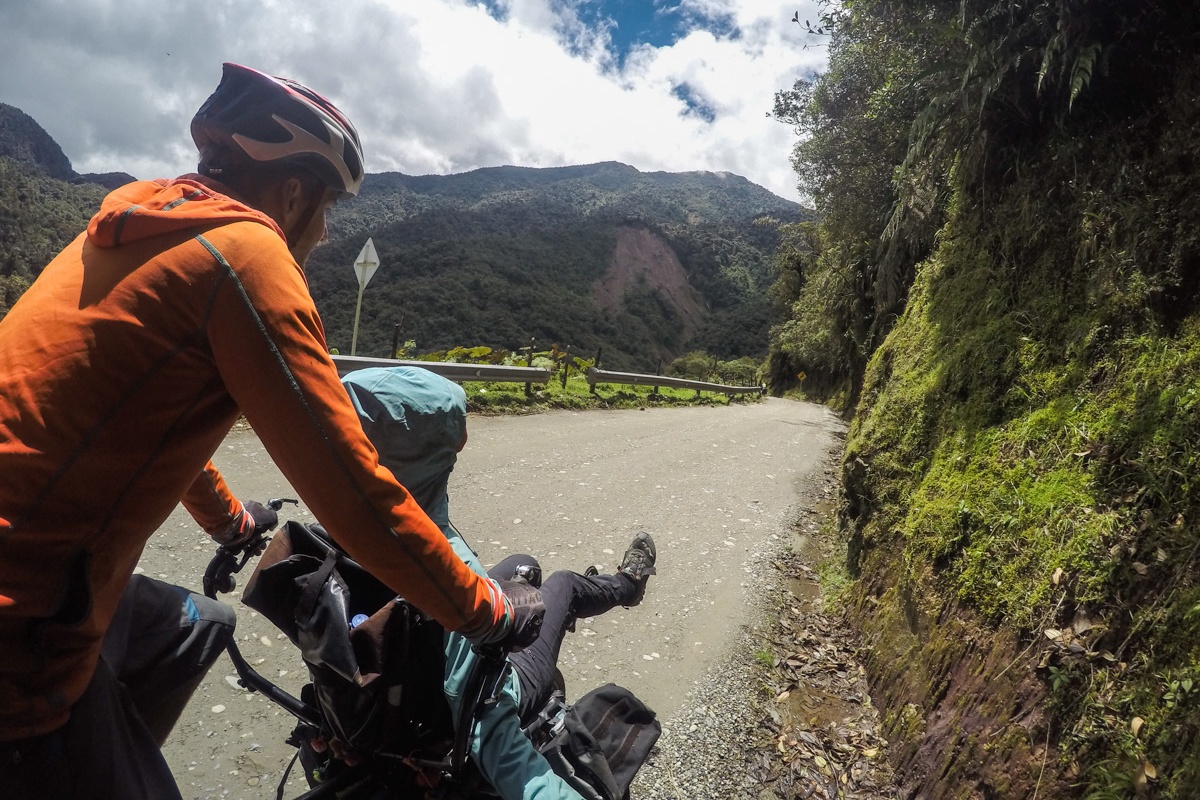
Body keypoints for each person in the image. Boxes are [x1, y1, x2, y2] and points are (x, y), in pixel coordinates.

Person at [0, 64, 541, 799]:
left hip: (45, 570)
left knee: (195, 626)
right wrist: (488, 611)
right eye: (328, 207)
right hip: (22, 615)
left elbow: (134, 415)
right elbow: (354, 492)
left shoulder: (135, 229)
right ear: (291, 193)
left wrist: (229, 521)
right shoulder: (248, 257)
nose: (324, 231)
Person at [341, 366, 658, 799]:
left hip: (394, 689)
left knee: (522, 566)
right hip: (485, 688)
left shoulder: (337, 531)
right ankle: (628, 585)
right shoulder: (449, 573)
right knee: (562, 585)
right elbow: (491, 735)